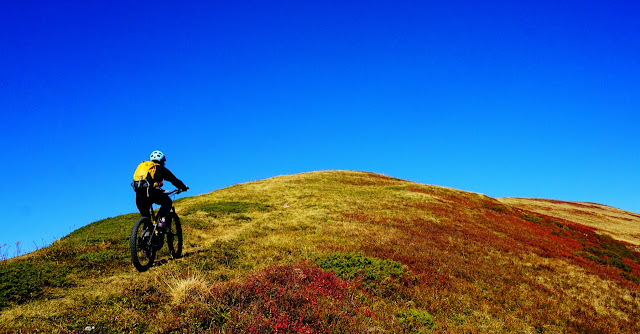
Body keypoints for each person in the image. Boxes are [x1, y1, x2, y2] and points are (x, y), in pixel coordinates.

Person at [133, 150, 189, 230]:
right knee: (167, 202)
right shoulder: (160, 168)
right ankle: (162, 222)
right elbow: (174, 180)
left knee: (146, 217)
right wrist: (183, 187)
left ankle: (145, 236)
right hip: (153, 193)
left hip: (139, 195)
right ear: (162, 161)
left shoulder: (145, 168)